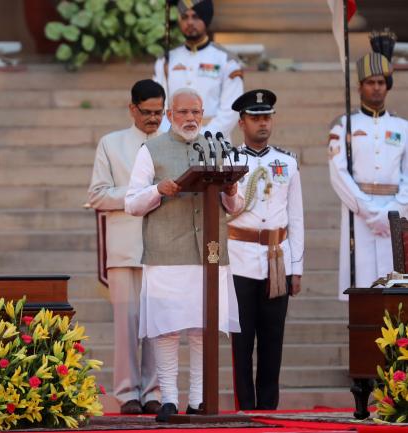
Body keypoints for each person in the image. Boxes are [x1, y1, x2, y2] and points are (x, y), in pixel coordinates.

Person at [125, 88, 241, 422]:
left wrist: (231, 190)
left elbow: (236, 207)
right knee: (167, 328)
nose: (190, 119)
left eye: (195, 112)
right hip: (167, 251)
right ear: (170, 115)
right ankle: (169, 400)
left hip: (210, 251)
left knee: (203, 328)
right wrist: (157, 190)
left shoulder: (218, 147)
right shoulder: (152, 150)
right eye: (183, 113)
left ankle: (198, 400)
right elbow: (131, 203)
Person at [88, 79, 165, 415]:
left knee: (158, 325)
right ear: (132, 108)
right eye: (147, 112)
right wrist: (143, 194)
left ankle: (154, 391)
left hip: (165, 246)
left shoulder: (171, 143)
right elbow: (97, 195)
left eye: (159, 113)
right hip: (124, 247)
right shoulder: (111, 143)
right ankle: (126, 393)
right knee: (127, 325)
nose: (153, 119)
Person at [227, 89, 304, 410]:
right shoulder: (229, 161)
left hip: (277, 258)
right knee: (242, 341)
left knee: (273, 339)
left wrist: (296, 266)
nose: (262, 123)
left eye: (266, 117)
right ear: (242, 122)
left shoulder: (286, 161)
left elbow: (296, 217)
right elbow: (224, 210)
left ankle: (268, 408)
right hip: (240, 258)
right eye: (255, 118)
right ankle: (245, 407)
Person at [328, 31, 408, 300]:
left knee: (395, 291)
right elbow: (338, 173)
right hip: (359, 215)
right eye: (370, 82)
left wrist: (396, 209)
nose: (376, 87)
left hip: (397, 216)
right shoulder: (344, 126)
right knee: (362, 291)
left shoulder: (402, 128)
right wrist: (368, 210)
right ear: (360, 85)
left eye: (381, 82)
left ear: (388, 86)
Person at [153, 0, 243, 137]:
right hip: (173, 140)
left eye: (195, 17)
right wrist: (174, 135)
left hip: (214, 143)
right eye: (185, 17)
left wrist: (202, 136)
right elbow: (158, 106)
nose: (189, 22)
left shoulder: (227, 60)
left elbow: (231, 110)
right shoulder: (165, 60)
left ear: (206, 18)